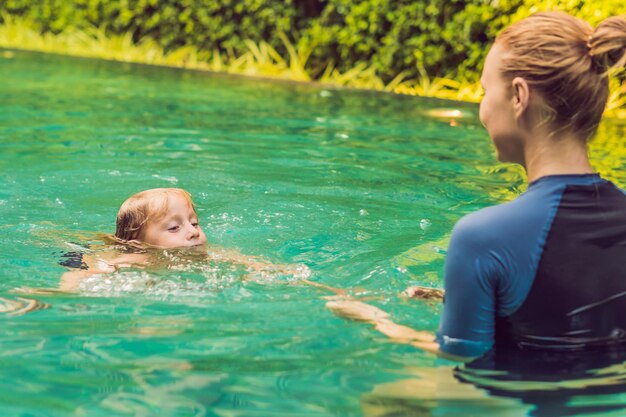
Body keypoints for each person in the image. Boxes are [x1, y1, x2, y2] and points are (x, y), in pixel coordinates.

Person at [329, 11, 626, 361]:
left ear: (519, 96)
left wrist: (376, 319)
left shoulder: (483, 236)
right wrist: (459, 295)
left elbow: (460, 354)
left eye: (486, 92)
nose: (482, 109)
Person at [59, 188, 311, 291]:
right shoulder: (134, 258)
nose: (192, 232)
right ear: (138, 242)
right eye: (173, 228)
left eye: (194, 222)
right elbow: (86, 273)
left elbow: (256, 265)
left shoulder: (207, 253)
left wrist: (279, 273)